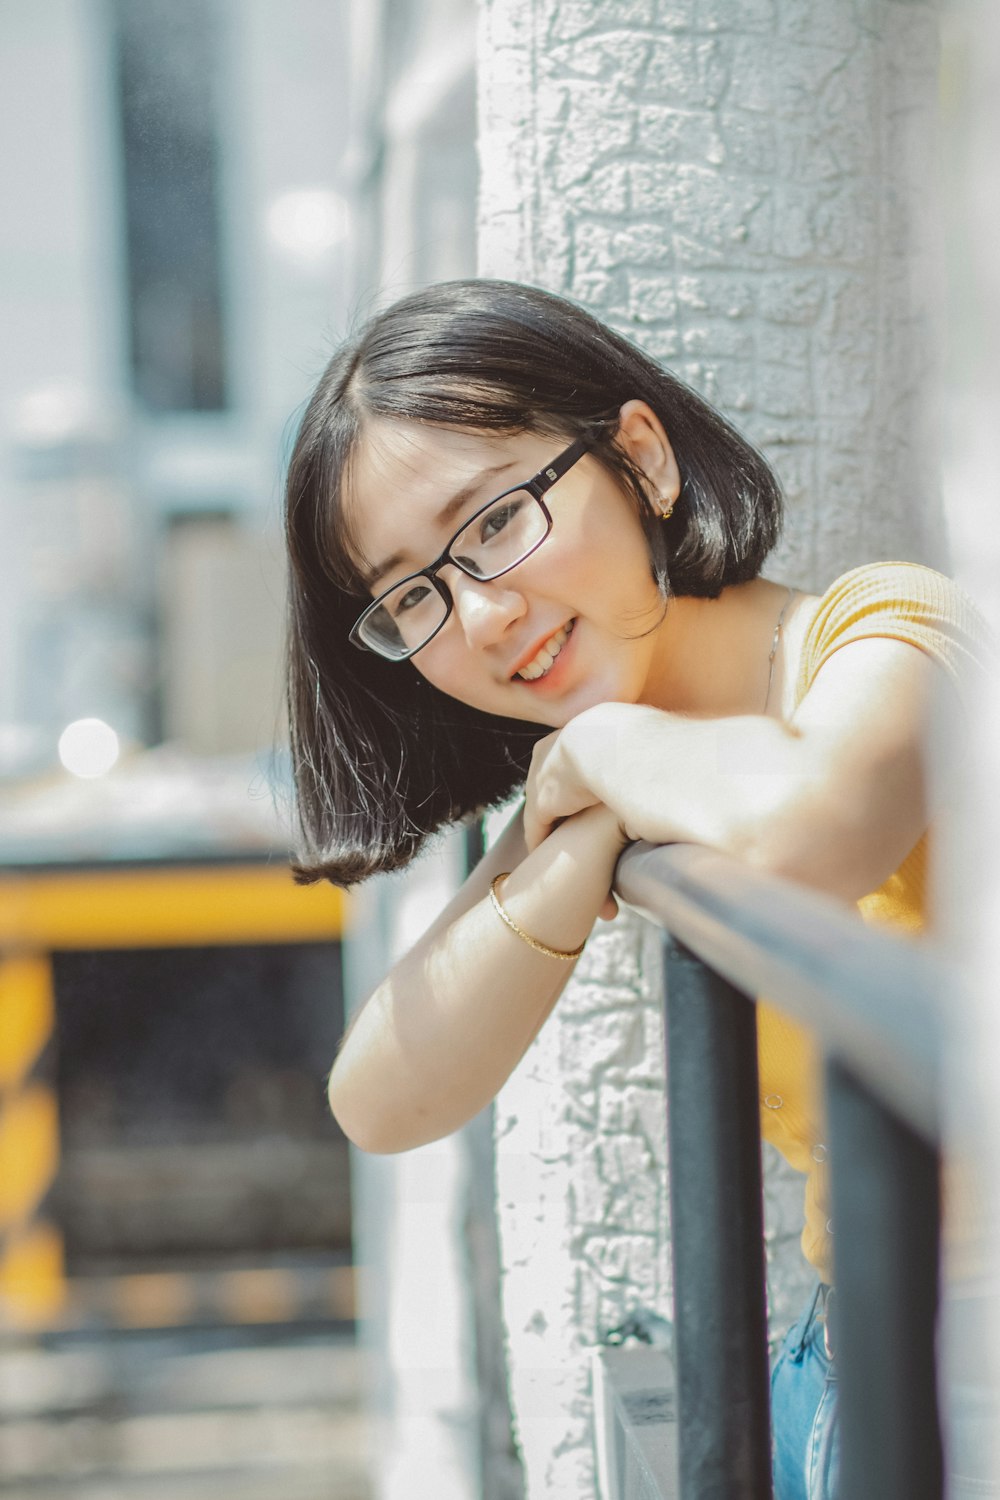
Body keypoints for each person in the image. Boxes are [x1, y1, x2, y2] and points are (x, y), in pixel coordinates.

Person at [282, 278, 991, 1500]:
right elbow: (381, 1098)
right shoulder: (619, 778)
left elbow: (816, 827)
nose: (483, 615)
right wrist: (573, 841)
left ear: (641, 459)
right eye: (413, 596)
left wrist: (609, 757)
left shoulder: (886, 632)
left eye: (496, 521)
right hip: (846, 1370)